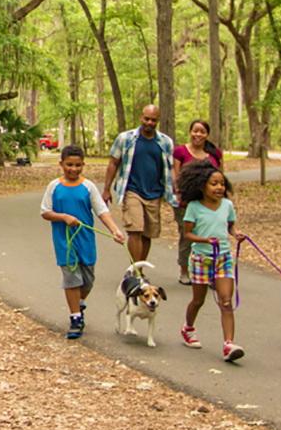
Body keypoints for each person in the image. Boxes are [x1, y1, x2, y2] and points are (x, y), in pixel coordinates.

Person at [41, 145, 126, 339]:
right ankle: (75, 318)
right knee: (72, 278)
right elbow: (45, 212)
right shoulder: (54, 186)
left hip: (86, 239)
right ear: (61, 164)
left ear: (83, 165)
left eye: (78, 165)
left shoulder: (88, 187)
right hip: (65, 241)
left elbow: (102, 210)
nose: (73, 169)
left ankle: (78, 303)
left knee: (87, 281)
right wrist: (63, 217)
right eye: (69, 165)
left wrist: (115, 230)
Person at [176, 161, 244, 361]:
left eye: (222, 184)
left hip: (223, 258)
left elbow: (231, 226)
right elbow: (187, 234)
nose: (219, 188)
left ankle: (229, 345)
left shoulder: (227, 206)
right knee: (198, 300)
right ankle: (188, 328)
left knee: (226, 300)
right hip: (200, 259)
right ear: (201, 186)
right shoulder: (194, 208)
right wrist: (204, 239)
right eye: (214, 184)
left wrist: (236, 234)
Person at [104, 105, 177, 265]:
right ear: (141, 118)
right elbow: (113, 163)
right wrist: (106, 189)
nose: (149, 122)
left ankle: (140, 268)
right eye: (146, 119)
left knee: (147, 233)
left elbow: (171, 168)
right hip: (132, 190)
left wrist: (175, 190)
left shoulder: (165, 142)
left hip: (154, 192)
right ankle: (135, 271)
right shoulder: (126, 139)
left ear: (158, 120)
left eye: (153, 120)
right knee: (135, 230)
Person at [171, 120, 224, 284]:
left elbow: (221, 176)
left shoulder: (214, 153)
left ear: (207, 134)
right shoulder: (180, 151)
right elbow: (175, 173)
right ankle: (185, 270)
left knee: (208, 235)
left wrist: (221, 196)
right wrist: (178, 193)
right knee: (187, 235)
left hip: (209, 203)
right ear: (190, 132)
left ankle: (208, 271)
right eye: (195, 131)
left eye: (202, 132)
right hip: (186, 203)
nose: (198, 135)